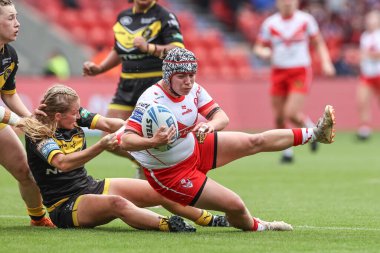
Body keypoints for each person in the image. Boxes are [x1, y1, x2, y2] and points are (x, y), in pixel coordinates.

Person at [118, 48, 336, 232]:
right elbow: (126, 141)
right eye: (182, 76)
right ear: (168, 76)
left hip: (195, 145)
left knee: (254, 141)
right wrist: (153, 141)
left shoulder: (193, 89)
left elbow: (222, 117)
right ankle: (260, 226)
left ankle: (317, 134)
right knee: (235, 205)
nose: (188, 81)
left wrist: (210, 125)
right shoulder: (150, 100)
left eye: (192, 75)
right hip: (171, 173)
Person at [17, 84, 229, 229]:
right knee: (117, 204)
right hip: (64, 205)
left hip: (89, 186)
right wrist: (99, 146)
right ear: (58, 116)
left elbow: (111, 124)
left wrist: (138, 127)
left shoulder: (75, 116)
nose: (79, 115)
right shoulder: (38, 133)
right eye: (74, 113)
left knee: (161, 189)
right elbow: (62, 164)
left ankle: (211, 220)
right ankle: (168, 224)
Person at [82, 0, 185, 178]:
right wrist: (100, 68)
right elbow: (118, 49)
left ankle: (161, 181)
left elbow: (177, 50)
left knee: (158, 138)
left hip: (155, 86)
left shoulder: (165, 16)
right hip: (127, 85)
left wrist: (149, 48)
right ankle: (145, 163)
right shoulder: (124, 17)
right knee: (109, 137)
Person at [253, 0, 335, 163]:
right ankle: (288, 151)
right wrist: (263, 52)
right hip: (278, 71)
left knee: (290, 113)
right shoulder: (270, 23)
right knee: (278, 117)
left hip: (299, 71)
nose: (287, 3)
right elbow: (258, 47)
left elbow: (318, 43)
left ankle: (312, 131)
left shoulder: (305, 20)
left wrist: (326, 62)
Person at [0, 0, 54, 227]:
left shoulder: (9, 54)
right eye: (10, 18)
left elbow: (9, 94)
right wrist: (19, 121)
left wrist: (31, 118)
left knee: (24, 170)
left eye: (17, 17)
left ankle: (38, 219)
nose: (17, 24)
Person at [356, 10, 380, 140]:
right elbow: (362, 55)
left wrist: (367, 55)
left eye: (373, 19)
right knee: (362, 101)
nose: (370, 22)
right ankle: (364, 129)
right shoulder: (364, 36)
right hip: (367, 74)